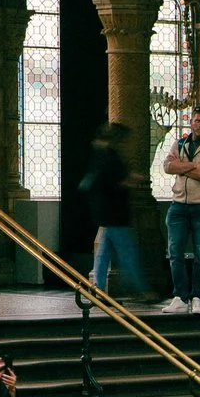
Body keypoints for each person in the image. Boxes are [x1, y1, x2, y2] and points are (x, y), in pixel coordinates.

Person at [162, 106, 200, 313]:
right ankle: (180, 295)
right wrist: (194, 166)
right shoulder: (180, 143)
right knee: (175, 253)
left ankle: (197, 296)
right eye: (198, 121)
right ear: (191, 122)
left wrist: (183, 166)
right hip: (178, 206)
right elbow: (167, 167)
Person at [78, 123, 148, 299]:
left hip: (105, 212)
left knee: (104, 251)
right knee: (127, 253)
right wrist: (132, 181)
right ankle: (140, 289)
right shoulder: (110, 157)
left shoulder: (100, 155)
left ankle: (98, 287)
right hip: (115, 213)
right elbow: (113, 183)